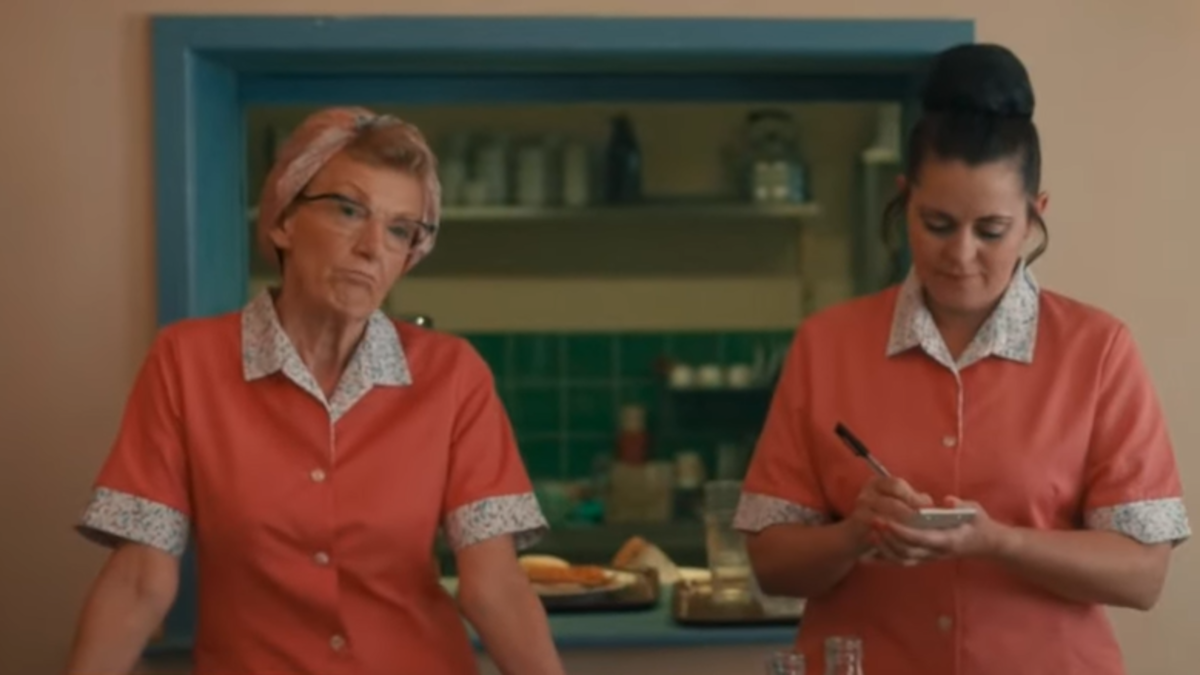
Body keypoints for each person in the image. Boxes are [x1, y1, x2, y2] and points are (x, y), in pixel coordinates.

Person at [734, 44, 1190, 675]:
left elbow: (1142, 575)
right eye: (938, 224)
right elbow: (771, 565)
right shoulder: (826, 344)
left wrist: (998, 542)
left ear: (1034, 217)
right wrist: (855, 534)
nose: (961, 254)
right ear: (904, 201)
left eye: (991, 230)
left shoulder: (1099, 349)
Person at [64, 107, 565, 675]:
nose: (372, 246)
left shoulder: (453, 375)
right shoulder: (186, 362)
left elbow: (493, 588)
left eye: (400, 229)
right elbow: (139, 582)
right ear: (284, 221)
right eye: (349, 210)